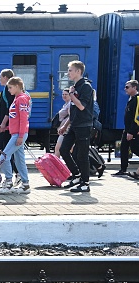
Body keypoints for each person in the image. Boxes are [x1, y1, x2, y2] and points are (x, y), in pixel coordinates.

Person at [60, 60, 94, 193]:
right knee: (64, 149)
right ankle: (77, 174)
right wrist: (65, 125)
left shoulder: (85, 86)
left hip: (84, 125)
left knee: (82, 155)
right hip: (74, 125)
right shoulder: (75, 87)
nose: (67, 73)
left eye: (70, 70)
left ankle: (85, 183)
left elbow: (81, 106)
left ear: (78, 71)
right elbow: (73, 109)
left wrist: (72, 95)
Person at [0, 76, 31, 195]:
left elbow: (24, 119)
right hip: (16, 133)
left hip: (18, 134)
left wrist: (20, 136)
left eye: (10, 87)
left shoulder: (21, 99)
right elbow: (17, 119)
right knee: (20, 160)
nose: (8, 90)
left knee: (4, 156)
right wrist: (7, 128)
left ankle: (9, 182)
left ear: (17, 86)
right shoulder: (18, 99)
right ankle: (25, 184)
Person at [0, 69, 19, 188]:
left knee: (5, 152)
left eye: (0, 77)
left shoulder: (7, 91)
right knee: (6, 151)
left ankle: (13, 177)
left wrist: (3, 124)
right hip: (8, 126)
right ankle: (15, 176)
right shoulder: (6, 90)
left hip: (8, 127)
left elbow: (8, 109)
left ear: (5, 77)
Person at [113, 80, 139, 177]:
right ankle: (123, 169)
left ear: (134, 88)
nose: (125, 89)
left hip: (133, 130)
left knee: (135, 149)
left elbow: (136, 117)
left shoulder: (137, 99)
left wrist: (132, 131)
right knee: (123, 148)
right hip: (127, 129)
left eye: (127, 87)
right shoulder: (130, 99)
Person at [54, 89, 71, 158]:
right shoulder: (65, 105)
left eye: (66, 94)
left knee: (59, 149)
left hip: (67, 130)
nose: (64, 96)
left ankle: (96, 164)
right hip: (64, 130)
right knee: (58, 149)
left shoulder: (70, 104)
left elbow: (71, 117)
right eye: (63, 94)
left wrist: (64, 127)